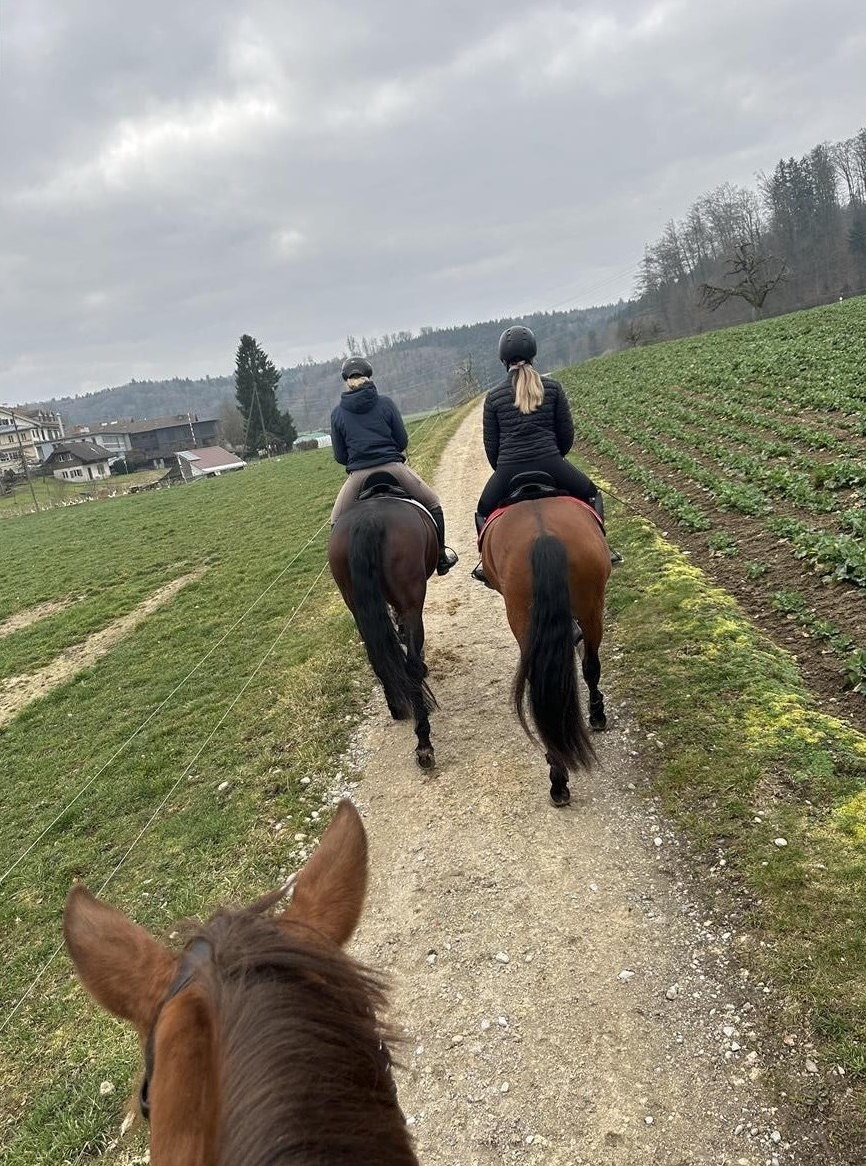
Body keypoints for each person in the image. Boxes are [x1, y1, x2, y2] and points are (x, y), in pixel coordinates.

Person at [472, 325, 622, 581]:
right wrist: (554, 456)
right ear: (533, 354)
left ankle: (486, 568)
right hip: (552, 463)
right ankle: (603, 548)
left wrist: (508, 464)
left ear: (502, 360)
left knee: (483, 511)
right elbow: (566, 437)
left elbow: (492, 451)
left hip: (508, 469)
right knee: (591, 493)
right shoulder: (552, 388)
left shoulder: (494, 397)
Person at [330, 356, 459, 575]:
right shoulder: (386, 404)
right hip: (393, 468)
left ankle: (342, 572)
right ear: (368, 377)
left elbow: (340, 456)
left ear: (347, 381)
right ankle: (440, 557)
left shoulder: (338, 413)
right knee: (433, 502)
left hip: (358, 475)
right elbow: (402, 441)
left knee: (335, 522)